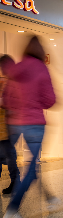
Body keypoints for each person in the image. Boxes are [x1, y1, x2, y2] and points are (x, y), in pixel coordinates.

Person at [1, 36, 59, 218]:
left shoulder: (16, 69)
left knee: (21, 165)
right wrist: (35, 102)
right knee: (31, 168)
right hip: (34, 124)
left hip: (15, 123)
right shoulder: (41, 68)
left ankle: (50, 198)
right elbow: (50, 100)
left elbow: (6, 100)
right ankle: (12, 212)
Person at [0, 55, 20, 195]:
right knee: (6, 155)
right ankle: (15, 182)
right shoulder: (6, 81)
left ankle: (16, 182)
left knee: (9, 155)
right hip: (4, 127)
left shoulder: (13, 82)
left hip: (8, 127)